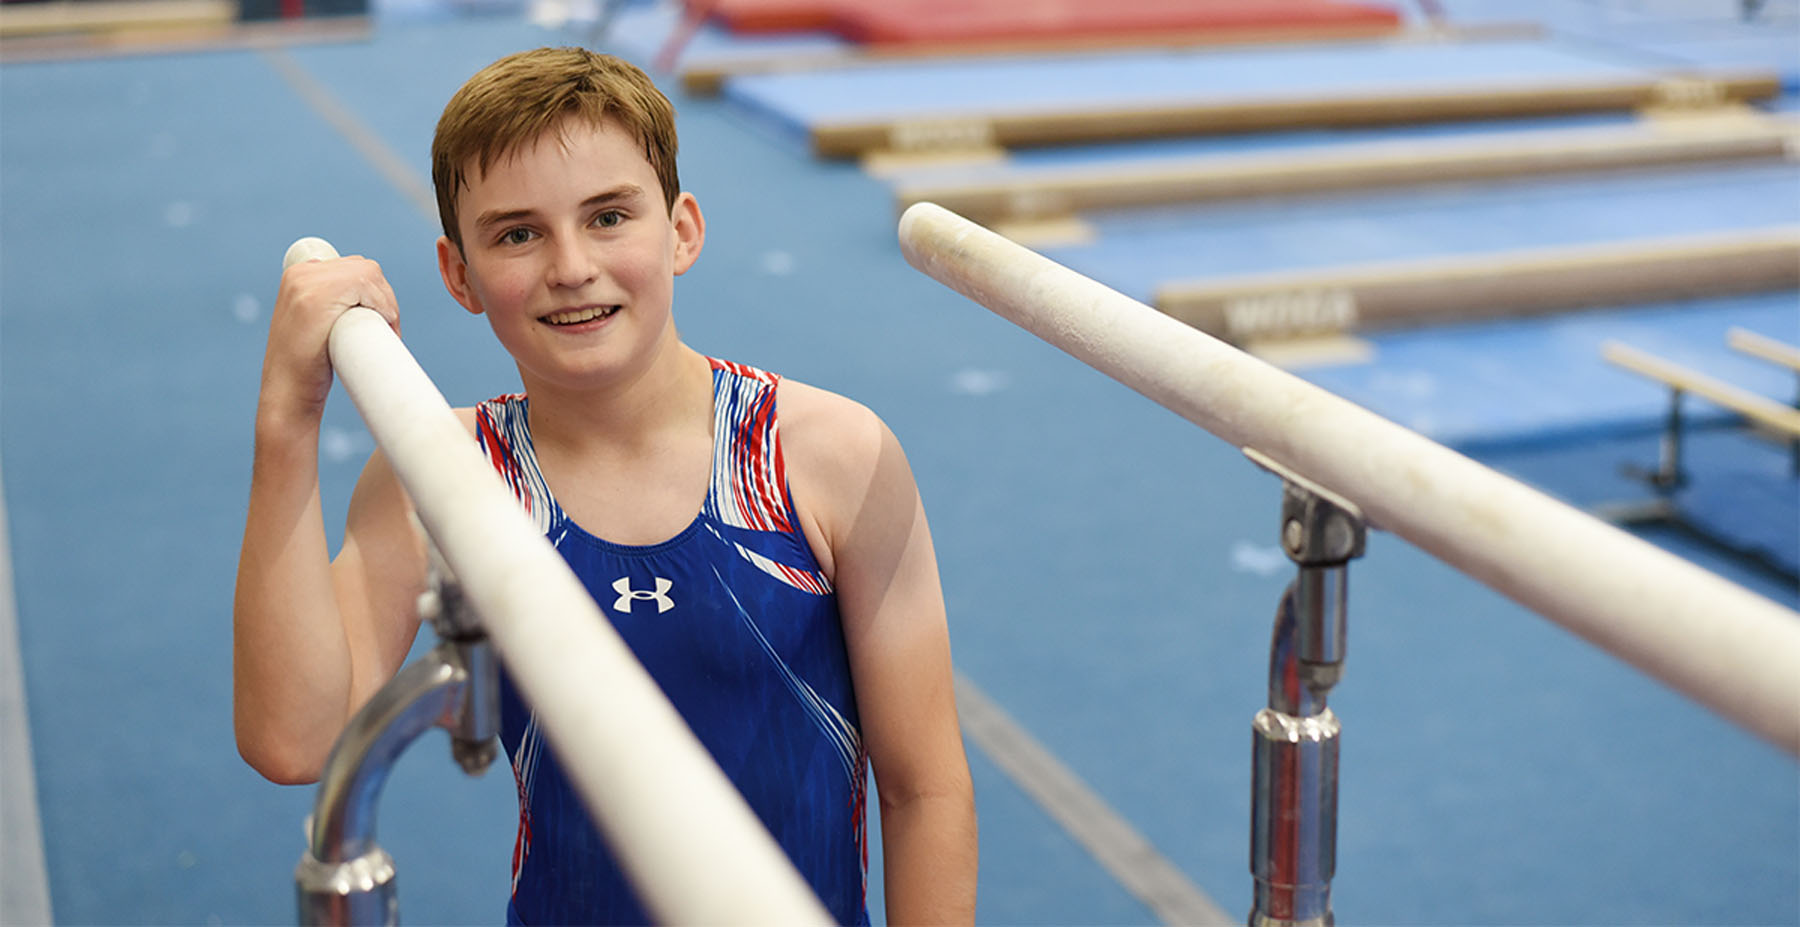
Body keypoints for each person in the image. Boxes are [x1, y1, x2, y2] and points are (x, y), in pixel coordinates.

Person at [233, 46, 977, 925]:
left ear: (682, 231)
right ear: (458, 273)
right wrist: (286, 423)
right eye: (518, 233)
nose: (572, 265)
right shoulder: (444, 477)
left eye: (609, 216)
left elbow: (924, 789)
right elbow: (296, 740)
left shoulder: (830, 458)